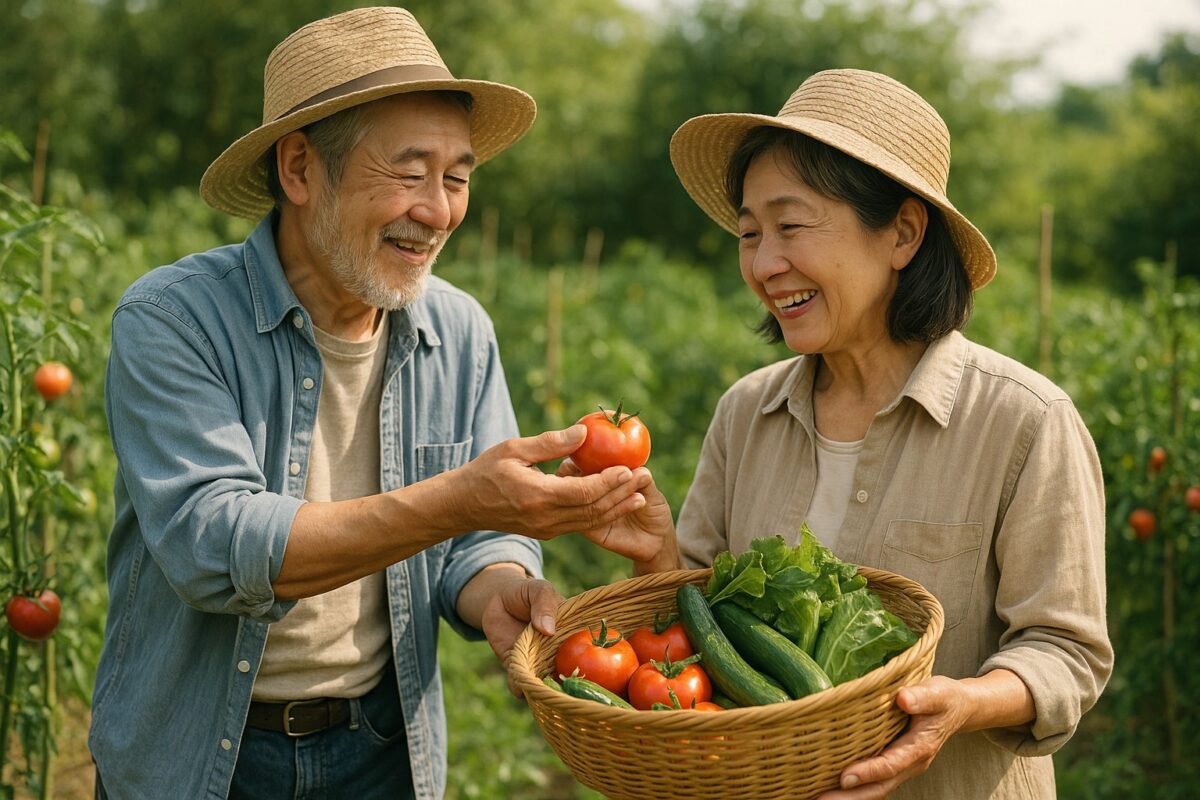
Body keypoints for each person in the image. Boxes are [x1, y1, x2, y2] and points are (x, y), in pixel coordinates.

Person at [87, 8, 658, 799]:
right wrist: (459, 501)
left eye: (456, 177)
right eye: (408, 171)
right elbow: (214, 544)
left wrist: (501, 585)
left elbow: (476, 539)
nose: (437, 210)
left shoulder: (457, 330)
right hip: (198, 755)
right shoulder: (174, 321)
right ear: (298, 169)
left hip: (382, 748)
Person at [578, 69, 1112, 798]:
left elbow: (1065, 651)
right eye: (749, 233)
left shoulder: (1024, 421)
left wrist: (960, 706)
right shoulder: (746, 414)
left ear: (901, 233)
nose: (765, 265)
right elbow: (694, 625)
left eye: (791, 226)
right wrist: (658, 557)